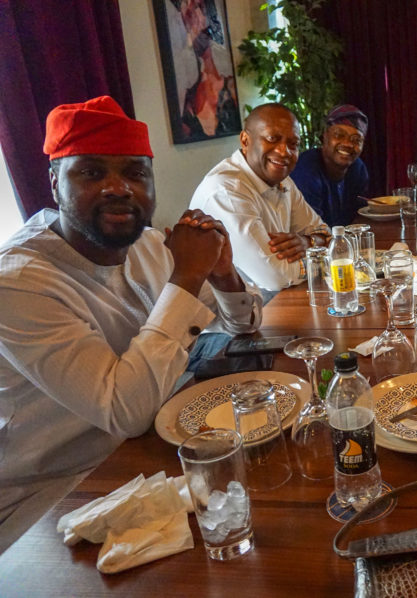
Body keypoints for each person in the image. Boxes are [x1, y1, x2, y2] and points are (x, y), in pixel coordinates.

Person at [0, 96, 263, 552]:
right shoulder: (19, 284)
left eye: (135, 173)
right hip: (54, 501)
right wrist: (186, 277)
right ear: (54, 182)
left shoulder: (148, 244)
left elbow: (245, 324)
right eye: (91, 172)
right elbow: (126, 411)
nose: (118, 188)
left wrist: (223, 275)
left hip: (153, 458)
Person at [190, 103, 329, 296]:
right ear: (245, 140)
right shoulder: (226, 191)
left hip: (274, 301)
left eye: (293, 144)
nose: (284, 152)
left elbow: (326, 234)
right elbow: (276, 276)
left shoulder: (283, 180)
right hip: (228, 313)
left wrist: (309, 242)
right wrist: (325, 255)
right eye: (272, 139)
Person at [170, 0, 240, 141]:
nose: (196, 18)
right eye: (188, 13)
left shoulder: (225, 62)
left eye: (199, 7)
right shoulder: (184, 71)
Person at [290, 104, 370, 227]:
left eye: (356, 140)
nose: (347, 144)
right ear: (325, 136)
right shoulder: (305, 171)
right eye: (339, 135)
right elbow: (311, 229)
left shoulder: (357, 168)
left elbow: (362, 216)